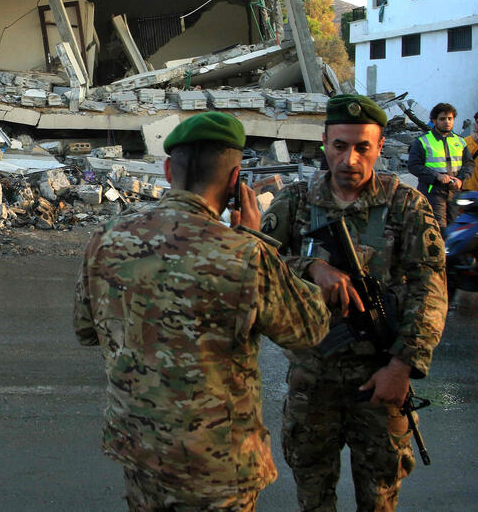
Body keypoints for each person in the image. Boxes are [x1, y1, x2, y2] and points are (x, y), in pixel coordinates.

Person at [75, 111, 331, 511]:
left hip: (140, 453)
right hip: (217, 467)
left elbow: (86, 330)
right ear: (235, 182)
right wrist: (256, 235)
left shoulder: (107, 239)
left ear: (166, 170)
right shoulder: (245, 253)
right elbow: (309, 329)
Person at [261, 94, 448, 512]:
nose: (349, 159)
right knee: (313, 496)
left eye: (363, 147)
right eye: (340, 146)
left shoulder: (406, 206)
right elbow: (258, 265)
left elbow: (430, 289)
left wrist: (400, 368)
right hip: (312, 379)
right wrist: (310, 267)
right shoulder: (296, 201)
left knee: (380, 497)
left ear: (380, 147)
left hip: (380, 378)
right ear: (324, 142)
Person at [406, 102, 473, 233]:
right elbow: (413, 166)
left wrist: (460, 179)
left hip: (454, 191)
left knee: (453, 228)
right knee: (437, 229)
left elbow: (469, 164)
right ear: (434, 120)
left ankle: (450, 253)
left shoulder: (460, 141)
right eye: (442, 119)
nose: (447, 122)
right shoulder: (422, 141)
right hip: (432, 192)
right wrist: (436, 176)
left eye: (450, 119)